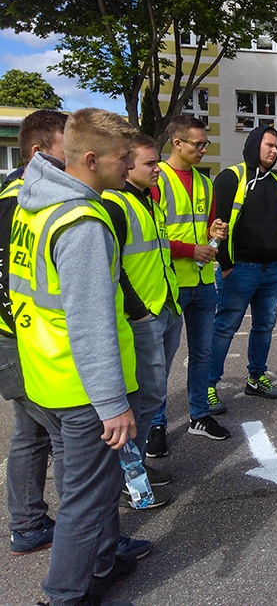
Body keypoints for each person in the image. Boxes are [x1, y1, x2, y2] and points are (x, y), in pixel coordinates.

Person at [9, 108, 149, 603]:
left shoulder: (35, 204)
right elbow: (89, 324)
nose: (130, 163)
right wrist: (112, 402)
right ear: (91, 159)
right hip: (79, 386)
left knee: (80, 487)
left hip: (43, 375)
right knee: (87, 500)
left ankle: (104, 561)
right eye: (123, 157)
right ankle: (65, 593)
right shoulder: (83, 222)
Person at [102, 133, 183, 509]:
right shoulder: (115, 204)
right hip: (144, 316)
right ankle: (127, 478)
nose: (157, 169)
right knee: (144, 398)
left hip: (164, 308)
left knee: (153, 395)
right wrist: (139, 310)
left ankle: (135, 468)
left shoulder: (149, 200)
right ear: (126, 164)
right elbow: (114, 267)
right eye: (150, 163)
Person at [3, 110, 67, 555]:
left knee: (30, 432)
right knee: (66, 435)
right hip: (23, 338)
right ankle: (85, 534)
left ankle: (27, 523)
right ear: (39, 152)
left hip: (18, 336)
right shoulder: (23, 201)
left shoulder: (12, 193)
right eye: (70, 145)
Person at [150, 115, 228, 445]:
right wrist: (190, 251)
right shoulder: (157, 179)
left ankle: (198, 415)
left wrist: (215, 236)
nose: (203, 150)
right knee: (160, 361)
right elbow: (149, 236)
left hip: (202, 282)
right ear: (177, 143)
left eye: (205, 144)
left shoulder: (204, 183)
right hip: (170, 284)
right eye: (198, 144)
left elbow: (209, 232)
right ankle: (155, 424)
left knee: (202, 353)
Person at [206, 125, 277, 410]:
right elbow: (217, 225)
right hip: (239, 269)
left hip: (274, 271)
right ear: (254, 144)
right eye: (269, 145)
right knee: (224, 327)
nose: (274, 150)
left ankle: (256, 378)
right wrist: (226, 265)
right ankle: (207, 385)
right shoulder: (231, 178)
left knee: (264, 326)